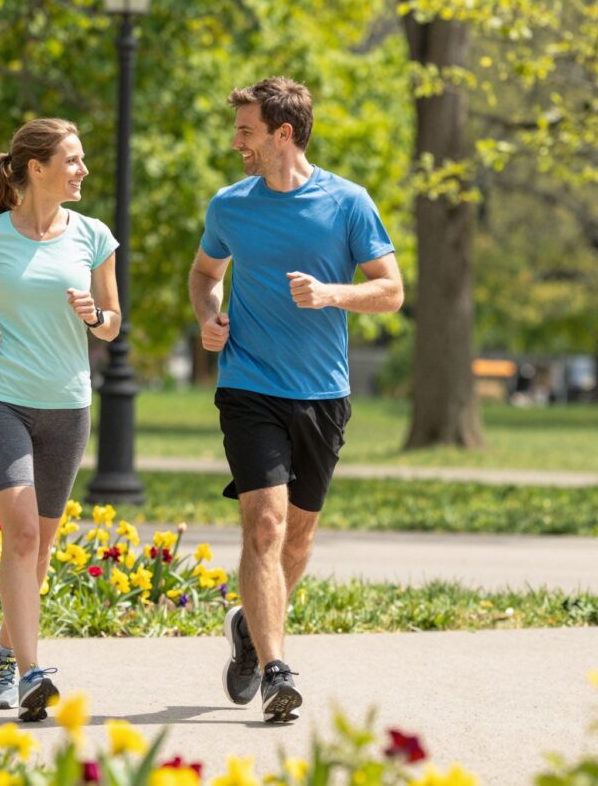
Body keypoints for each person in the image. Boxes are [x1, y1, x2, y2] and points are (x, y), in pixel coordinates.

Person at [188, 77, 403, 723]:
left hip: (323, 395)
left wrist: (334, 294)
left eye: (247, 131)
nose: (236, 143)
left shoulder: (348, 203)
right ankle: (277, 668)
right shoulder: (230, 206)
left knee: (300, 540)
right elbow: (205, 274)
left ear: (284, 134)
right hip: (248, 386)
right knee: (265, 525)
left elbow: (391, 291)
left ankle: (251, 631)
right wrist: (210, 314)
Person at [0, 118, 121, 722]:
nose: (83, 170)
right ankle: (30, 672)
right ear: (36, 168)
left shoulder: (94, 236)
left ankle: (3, 647)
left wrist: (97, 314)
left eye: (84, 159)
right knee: (18, 532)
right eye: (72, 160)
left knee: (38, 550)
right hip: (1, 399)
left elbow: (114, 322)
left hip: (67, 406)